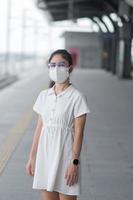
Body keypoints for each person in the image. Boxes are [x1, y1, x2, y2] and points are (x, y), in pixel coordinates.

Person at [26, 49, 90, 200]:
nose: (56, 69)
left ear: (70, 68)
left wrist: (74, 163)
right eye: (52, 65)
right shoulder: (44, 96)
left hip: (66, 157)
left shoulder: (77, 97)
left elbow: (79, 133)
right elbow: (39, 129)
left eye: (61, 64)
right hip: (45, 156)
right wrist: (32, 157)